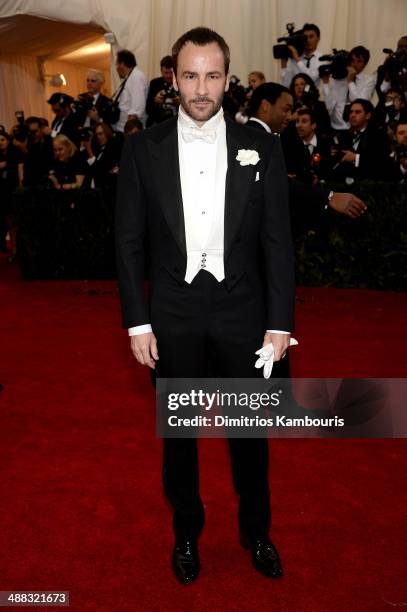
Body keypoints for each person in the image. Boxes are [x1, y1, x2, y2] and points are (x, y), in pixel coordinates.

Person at [116, 27, 295, 584]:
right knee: (181, 438)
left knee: (249, 435)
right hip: (172, 314)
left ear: (227, 79)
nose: (201, 88)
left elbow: (277, 242)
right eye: (189, 75)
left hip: (243, 313)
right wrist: (137, 322)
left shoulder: (259, 145)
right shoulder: (142, 149)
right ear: (172, 78)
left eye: (212, 75)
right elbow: (129, 242)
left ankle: (257, 532)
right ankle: (187, 534)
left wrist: (279, 324)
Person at [246, 82, 367, 219]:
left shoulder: (266, 137)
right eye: (286, 110)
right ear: (265, 106)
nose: (290, 117)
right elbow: (275, 183)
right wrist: (329, 196)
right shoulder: (252, 138)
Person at [330, 99, 390, 182]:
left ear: (368, 116)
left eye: (357, 112)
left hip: (369, 184)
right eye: (351, 112)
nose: (352, 115)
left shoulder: (379, 136)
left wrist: (356, 158)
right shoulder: (342, 136)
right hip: (342, 184)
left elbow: (381, 161)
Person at [322, 46, 375, 131]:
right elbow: (328, 104)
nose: (354, 64)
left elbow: (360, 103)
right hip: (335, 125)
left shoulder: (369, 80)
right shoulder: (340, 78)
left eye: (359, 61)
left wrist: (350, 81)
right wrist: (325, 83)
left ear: (365, 64)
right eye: (352, 60)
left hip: (356, 127)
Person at [112, 50, 148, 133]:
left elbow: (136, 109)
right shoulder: (131, 77)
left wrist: (128, 135)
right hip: (123, 129)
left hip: (129, 131)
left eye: (117, 64)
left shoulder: (136, 77)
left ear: (122, 64)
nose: (116, 68)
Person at [281, 23, 325, 88]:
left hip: (313, 97)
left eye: (311, 36)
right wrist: (283, 65)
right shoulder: (295, 58)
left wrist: (297, 60)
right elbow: (286, 84)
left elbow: (311, 79)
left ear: (318, 39)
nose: (308, 40)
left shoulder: (322, 59)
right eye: (305, 37)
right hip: (296, 97)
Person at [289, 73, 331, 137]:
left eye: (302, 84)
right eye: (296, 85)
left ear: (308, 87)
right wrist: (291, 118)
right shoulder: (290, 107)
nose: (299, 87)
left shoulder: (319, 105)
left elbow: (326, 128)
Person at [145, 56, 180, 126]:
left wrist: (180, 103)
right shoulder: (155, 84)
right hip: (157, 123)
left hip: (175, 124)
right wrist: (155, 101)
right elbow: (148, 109)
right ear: (161, 71)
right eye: (166, 73)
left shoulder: (181, 84)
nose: (169, 76)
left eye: (171, 73)